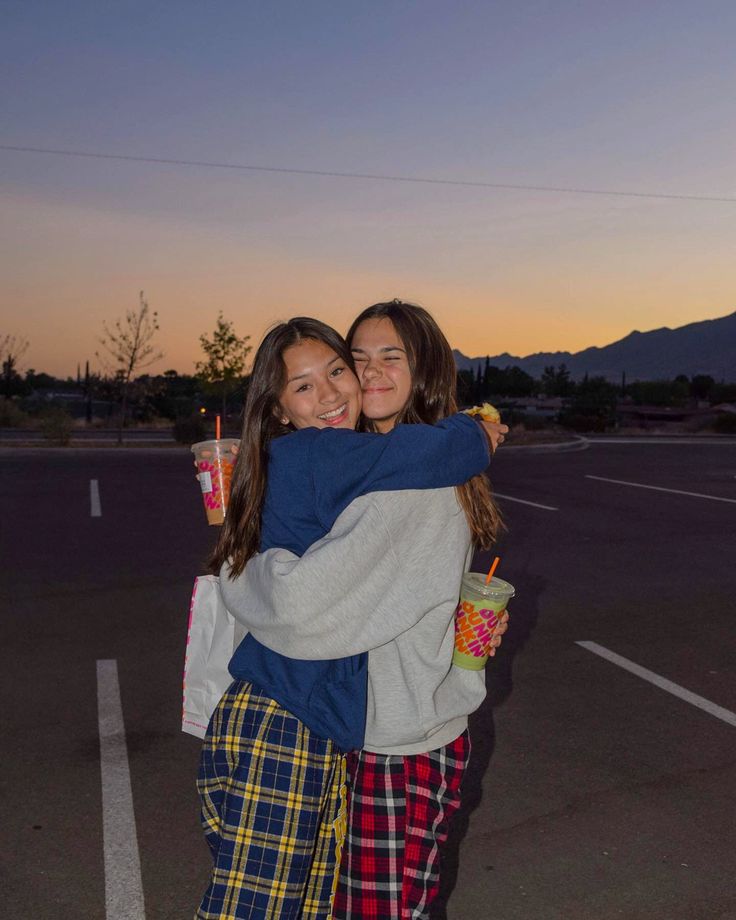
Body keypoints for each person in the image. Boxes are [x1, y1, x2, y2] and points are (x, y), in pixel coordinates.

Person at [196, 315, 503, 920]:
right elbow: (307, 602)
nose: (359, 377)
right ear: (280, 406)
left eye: (388, 357)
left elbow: (299, 603)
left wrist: (240, 566)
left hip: (381, 733)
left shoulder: (406, 481)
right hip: (307, 715)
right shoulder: (350, 459)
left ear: (427, 370)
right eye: (357, 356)